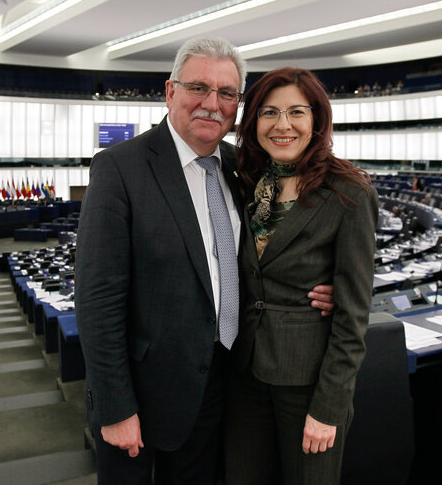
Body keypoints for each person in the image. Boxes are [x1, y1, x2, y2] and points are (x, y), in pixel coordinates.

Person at [75, 38, 334, 485]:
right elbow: (97, 299)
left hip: (227, 382)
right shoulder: (120, 167)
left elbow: (266, 258)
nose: (212, 104)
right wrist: (116, 407)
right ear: (170, 91)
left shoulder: (246, 167)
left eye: (227, 93)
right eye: (198, 87)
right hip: (145, 392)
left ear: (238, 104)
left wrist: (322, 288)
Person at [225, 67, 378, 485]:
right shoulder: (247, 182)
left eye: (296, 112)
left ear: (317, 120)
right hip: (244, 374)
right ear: (253, 121)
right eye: (269, 113)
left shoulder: (349, 194)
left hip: (308, 382)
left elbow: (352, 318)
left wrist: (329, 407)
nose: (283, 125)